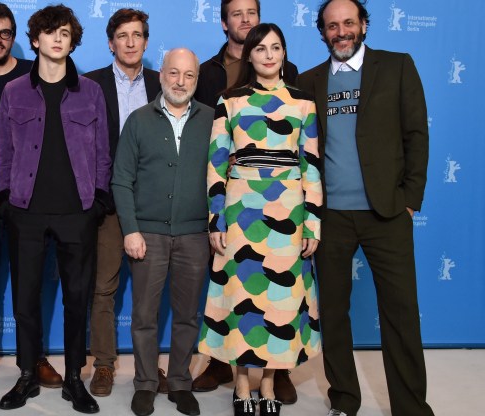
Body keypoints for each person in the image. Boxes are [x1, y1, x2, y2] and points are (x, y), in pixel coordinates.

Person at [296, 1, 434, 415]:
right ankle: (344, 399)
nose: (341, 32)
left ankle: (410, 406)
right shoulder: (309, 81)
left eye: (348, 23)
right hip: (331, 217)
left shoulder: (397, 67)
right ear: (322, 32)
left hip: (387, 213)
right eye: (332, 26)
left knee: (401, 314)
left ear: (364, 26)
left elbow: (416, 134)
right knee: (334, 314)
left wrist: (410, 201)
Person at [200, 23, 323, 416]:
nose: (269, 55)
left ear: (284, 53)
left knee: (280, 303)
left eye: (276, 47)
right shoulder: (230, 101)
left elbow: (313, 167)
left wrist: (313, 223)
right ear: (248, 55)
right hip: (240, 211)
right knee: (241, 298)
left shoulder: (304, 103)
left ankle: (268, 381)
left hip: (289, 208)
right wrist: (215, 220)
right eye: (261, 49)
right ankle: (240, 383)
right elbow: (217, 164)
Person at [0, 4, 109, 414]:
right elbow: (2, 150)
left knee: (77, 298)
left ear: (72, 40)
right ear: (36, 39)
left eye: (65, 33)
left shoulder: (91, 91)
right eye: (50, 32)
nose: (58, 39)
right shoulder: (14, 92)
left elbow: (102, 152)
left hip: (77, 211)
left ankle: (75, 378)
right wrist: (4, 198)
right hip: (25, 210)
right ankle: (27, 375)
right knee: (25, 298)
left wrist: (97, 201)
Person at [0, 1, 67, 393]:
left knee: (31, 280)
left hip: (28, 197)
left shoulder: (33, 73)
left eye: (5, 32)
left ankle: (33, 356)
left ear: (16, 37)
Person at [112, 47, 213, 416]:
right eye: (173, 73)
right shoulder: (138, 120)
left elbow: (222, 179)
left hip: (195, 235)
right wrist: (131, 230)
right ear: (161, 75)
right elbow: (121, 180)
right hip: (148, 234)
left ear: (196, 80)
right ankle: (145, 383)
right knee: (144, 315)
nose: (180, 81)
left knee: (187, 314)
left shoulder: (213, 120)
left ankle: (180, 381)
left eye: (188, 75)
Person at [82, 8, 161, 398]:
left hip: (154, 205)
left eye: (137, 35)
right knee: (103, 288)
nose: (130, 42)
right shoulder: (89, 84)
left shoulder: (165, 85)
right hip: (109, 205)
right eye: (123, 35)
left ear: (146, 41)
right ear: (111, 42)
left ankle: (149, 368)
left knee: (150, 292)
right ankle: (104, 364)